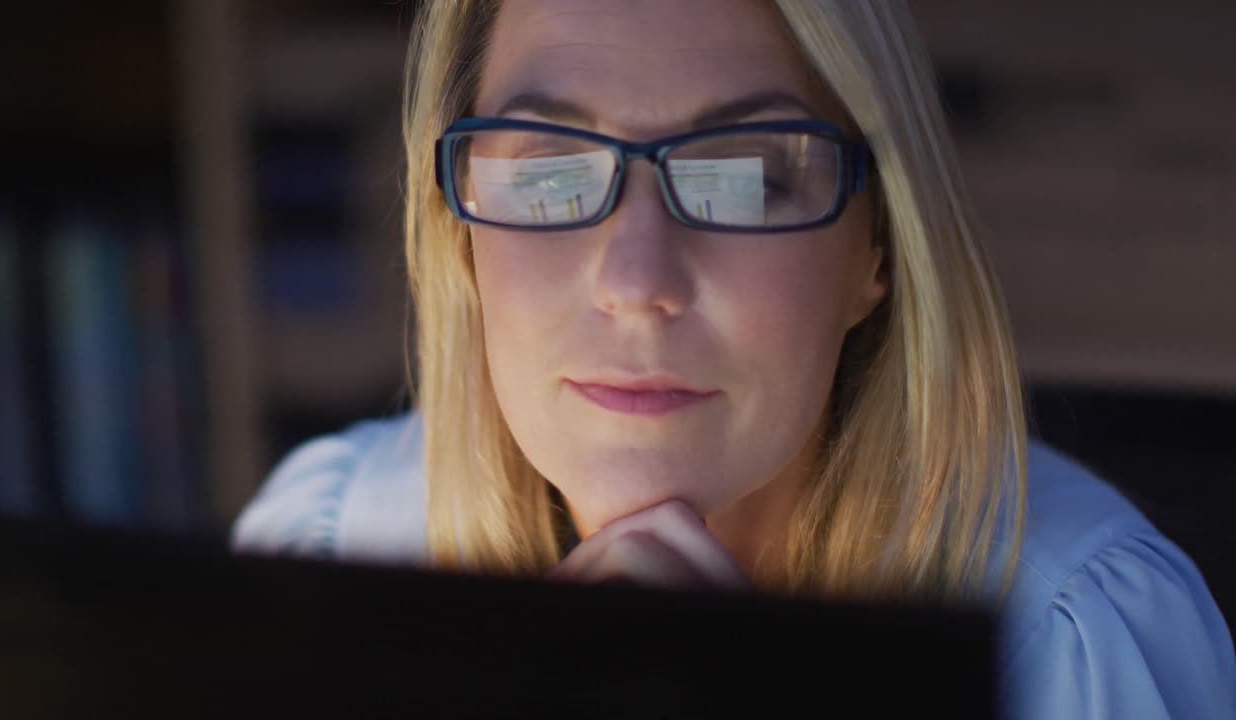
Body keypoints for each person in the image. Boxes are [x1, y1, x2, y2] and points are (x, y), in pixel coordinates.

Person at [231, 0, 1236, 716]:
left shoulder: (1067, 646)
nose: (636, 282)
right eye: (547, 176)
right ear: (460, 237)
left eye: (743, 178)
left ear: (878, 249)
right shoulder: (325, 554)